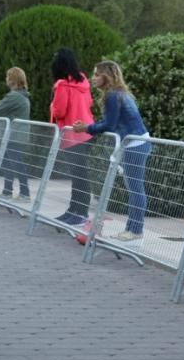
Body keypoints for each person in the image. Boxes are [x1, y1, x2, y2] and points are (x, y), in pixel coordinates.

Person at [73, 61, 151, 241]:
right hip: (137, 143)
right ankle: (133, 229)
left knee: (135, 189)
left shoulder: (112, 96)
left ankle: (135, 230)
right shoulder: (119, 93)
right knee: (135, 189)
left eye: (97, 75)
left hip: (134, 145)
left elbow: (110, 124)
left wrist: (86, 128)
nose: (93, 78)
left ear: (107, 76)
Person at [49, 48, 94, 226]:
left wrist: (51, 106)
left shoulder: (61, 84)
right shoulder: (83, 81)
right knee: (81, 174)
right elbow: (88, 103)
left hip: (71, 134)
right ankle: (75, 210)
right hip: (86, 131)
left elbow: (60, 111)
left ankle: (79, 212)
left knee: (78, 175)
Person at [0, 67, 31, 201]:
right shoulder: (23, 96)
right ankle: (8, 191)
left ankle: (24, 193)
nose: (6, 79)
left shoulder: (13, 96)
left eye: (8, 77)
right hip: (18, 135)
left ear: (13, 80)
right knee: (10, 163)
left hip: (13, 135)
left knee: (15, 164)